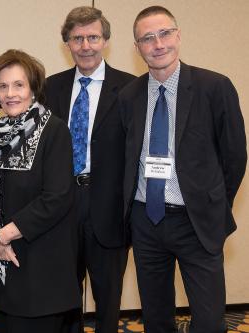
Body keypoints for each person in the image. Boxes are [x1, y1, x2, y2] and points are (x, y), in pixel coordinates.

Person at [119, 6, 246, 333]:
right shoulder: (129, 96)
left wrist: (213, 203)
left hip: (196, 222)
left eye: (164, 33)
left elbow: (235, 156)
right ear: (137, 48)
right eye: (147, 38)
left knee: (207, 320)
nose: (157, 44)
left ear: (178, 36)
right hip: (146, 220)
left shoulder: (214, 87)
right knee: (156, 318)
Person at [45, 6, 135, 333]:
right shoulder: (49, 88)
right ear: (67, 43)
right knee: (64, 295)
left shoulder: (131, 89)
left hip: (109, 210)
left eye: (93, 37)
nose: (86, 45)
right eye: (78, 38)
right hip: (61, 207)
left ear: (106, 41)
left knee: (108, 299)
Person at [0, 49, 80, 333]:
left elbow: (57, 197)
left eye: (19, 85)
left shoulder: (54, 131)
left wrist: (2, 236)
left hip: (40, 272)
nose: (10, 93)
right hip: (1, 265)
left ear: (33, 89)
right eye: (3, 86)